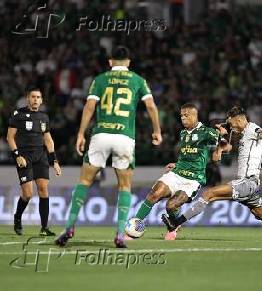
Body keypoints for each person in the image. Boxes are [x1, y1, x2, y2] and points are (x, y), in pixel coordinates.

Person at [55, 46, 162, 248]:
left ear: (110, 62)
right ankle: (120, 234)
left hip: (101, 135)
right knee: (124, 186)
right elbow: (150, 106)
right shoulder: (138, 80)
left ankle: (69, 227)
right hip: (124, 137)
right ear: (129, 62)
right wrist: (157, 130)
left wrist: (80, 133)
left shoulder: (101, 79)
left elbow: (89, 106)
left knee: (85, 181)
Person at [162, 106, 262, 242]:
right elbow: (227, 147)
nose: (232, 127)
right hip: (250, 185)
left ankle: (176, 223)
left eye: (232, 123)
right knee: (261, 214)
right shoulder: (242, 135)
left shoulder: (253, 129)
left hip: (247, 183)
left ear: (239, 120)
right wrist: (220, 146)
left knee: (208, 194)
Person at [132, 103, 220, 241]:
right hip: (177, 172)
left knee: (171, 205)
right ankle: (134, 225)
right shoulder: (183, 133)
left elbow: (221, 141)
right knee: (154, 194)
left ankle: (174, 226)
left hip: (192, 179)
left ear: (194, 116)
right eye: (181, 116)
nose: (183, 118)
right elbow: (186, 154)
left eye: (186, 115)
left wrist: (223, 137)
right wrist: (177, 164)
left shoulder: (206, 132)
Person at [6, 87, 62, 236]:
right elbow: (10, 137)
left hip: (40, 157)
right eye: (33, 97)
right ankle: (17, 217)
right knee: (28, 194)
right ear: (28, 99)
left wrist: (54, 161)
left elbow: (48, 140)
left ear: (41, 100)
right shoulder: (18, 115)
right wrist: (17, 155)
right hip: (24, 157)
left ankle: (44, 228)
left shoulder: (44, 117)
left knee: (43, 189)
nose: (35, 99)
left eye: (38, 97)